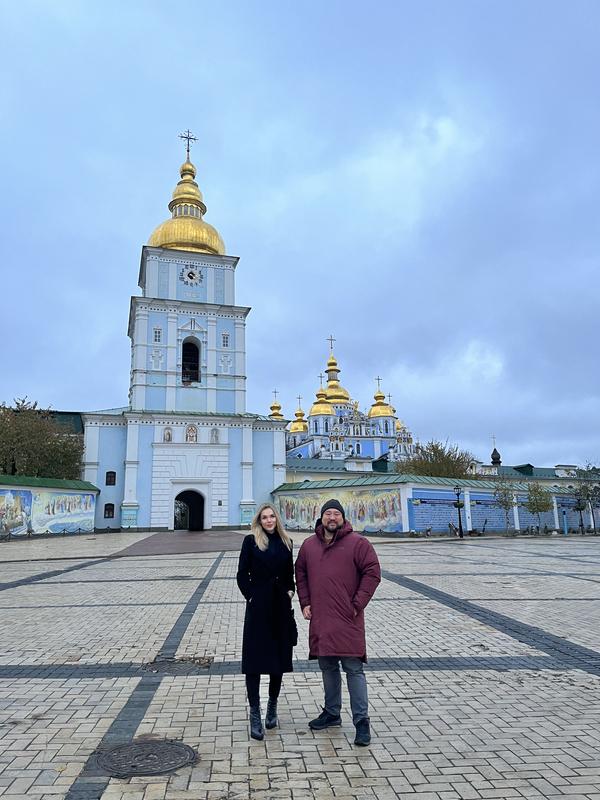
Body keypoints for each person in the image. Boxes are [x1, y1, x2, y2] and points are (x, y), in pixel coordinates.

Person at [295, 499, 381, 746]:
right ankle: (332, 713)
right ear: (321, 517)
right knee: (328, 667)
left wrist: (357, 604)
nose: (332, 517)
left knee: (353, 669)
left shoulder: (358, 544)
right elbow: (299, 572)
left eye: (336, 513)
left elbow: (373, 572)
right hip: (321, 619)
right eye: (327, 513)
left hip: (348, 619)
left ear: (343, 518)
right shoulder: (310, 546)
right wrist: (305, 602)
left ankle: (361, 722)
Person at [237, 503, 296, 740]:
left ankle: (272, 707)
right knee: (254, 662)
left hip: (280, 607)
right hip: (258, 607)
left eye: (272, 517)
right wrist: (251, 595)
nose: (269, 520)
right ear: (259, 520)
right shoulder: (251, 541)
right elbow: (242, 574)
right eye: (265, 517)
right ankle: (255, 714)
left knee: (277, 661)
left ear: (277, 519)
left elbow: (289, 575)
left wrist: (289, 593)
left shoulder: (286, 542)